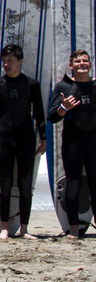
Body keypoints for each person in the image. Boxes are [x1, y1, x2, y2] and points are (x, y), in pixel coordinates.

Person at [0, 44, 46, 240]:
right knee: (5, 184)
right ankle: (5, 229)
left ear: (20, 61)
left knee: (25, 183)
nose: (6, 64)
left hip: (26, 139)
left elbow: (39, 113)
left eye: (10, 60)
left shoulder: (31, 84)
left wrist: (44, 138)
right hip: (4, 138)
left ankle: (24, 229)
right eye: (4, 60)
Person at [49, 49, 96, 239]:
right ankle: (73, 228)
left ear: (90, 64)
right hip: (73, 145)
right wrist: (63, 108)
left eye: (85, 61)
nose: (82, 64)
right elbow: (52, 117)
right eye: (78, 61)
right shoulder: (64, 87)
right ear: (71, 65)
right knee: (73, 185)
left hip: (94, 145)